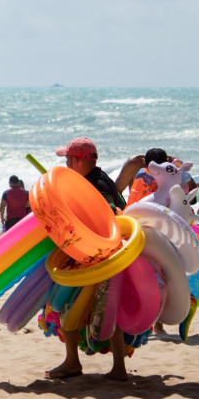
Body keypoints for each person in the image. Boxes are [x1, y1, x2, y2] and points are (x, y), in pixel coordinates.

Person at [50, 137, 128, 381]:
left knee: (64, 305)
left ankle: (73, 362)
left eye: (66, 159)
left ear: (75, 161)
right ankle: (118, 368)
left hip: (98, 257)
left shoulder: (94, 184)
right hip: (114, 256)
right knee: (112, 309)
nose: (64, 163)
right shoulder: (103, 177)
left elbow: (111, 212)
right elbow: (124, 205)